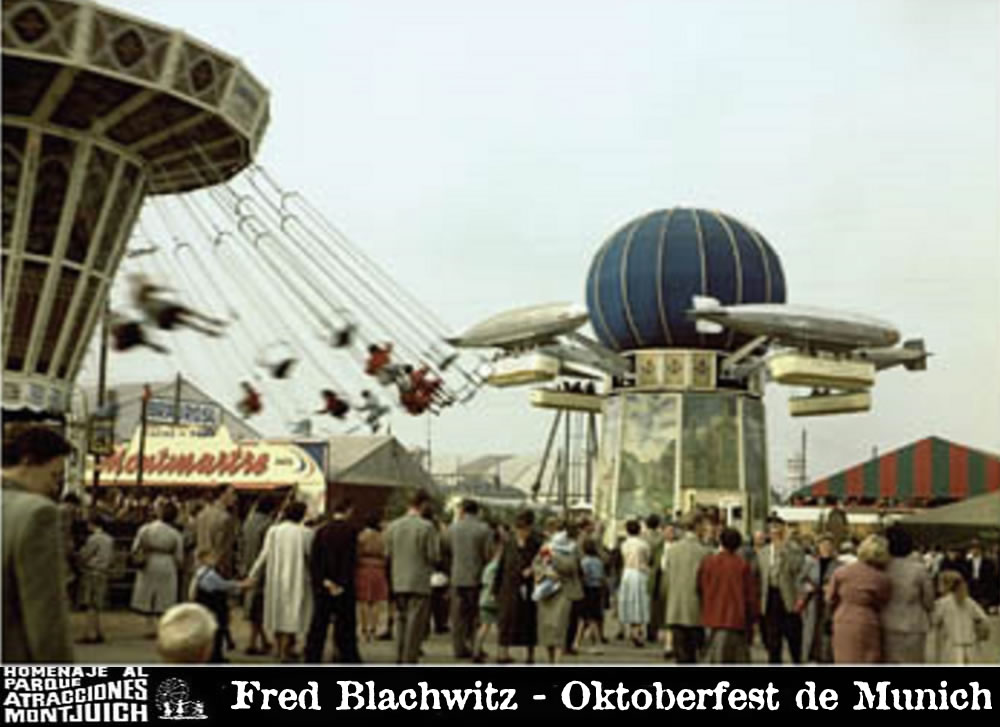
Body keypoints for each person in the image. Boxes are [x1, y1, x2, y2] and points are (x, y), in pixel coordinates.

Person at [2, 427, 75, 662]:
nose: (55, 488)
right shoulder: (36, 514)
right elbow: (46, 621)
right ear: (28, 462)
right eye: (53, 476)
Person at [248, 501, 314, 663]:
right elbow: (311, 557)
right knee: (293, 613)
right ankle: (286, 650)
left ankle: (279, 649)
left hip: (276, 578)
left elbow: (264, 555)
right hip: (298, 578)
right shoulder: (306, 533)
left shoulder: (274, 531)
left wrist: (252, 574)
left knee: (278, 612)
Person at [385, 490, 440, 663]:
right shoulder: (427, 527)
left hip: (398, 579)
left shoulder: (392, 526)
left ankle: (399, 655)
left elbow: (387, 553)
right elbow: (433, 555)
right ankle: (410, 658)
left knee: (401, 621)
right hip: (419, 581)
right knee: (415, 625)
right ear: (423, 505)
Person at [306, 499, 362, 663]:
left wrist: (324, 580)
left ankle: (313, 655)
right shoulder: (351, 531)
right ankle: (346, 655)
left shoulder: (321, 531)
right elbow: (350, 560)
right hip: (344, 587)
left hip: (324, 586)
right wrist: (342, 583)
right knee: (345, 624)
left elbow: (315, 561)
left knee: (319, 623)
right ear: (348, 511)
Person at [825, 534, 893, 664]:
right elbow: (884, 601)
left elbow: (829, 597)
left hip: (842, 619)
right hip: (867, 620)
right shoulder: (882, 579)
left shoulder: (841, 572)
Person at [698, 528, 758, 663]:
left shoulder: (709, 562)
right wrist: (753, 617)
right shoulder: (742, 565)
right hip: (736, 619)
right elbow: (750, 594)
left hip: (713, 617)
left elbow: (701, 587)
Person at [662, 512, 711, 663]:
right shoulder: (705, 552)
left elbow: (666, 581)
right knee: (694, 654)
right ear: (698, 527)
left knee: (681, 655)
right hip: (696, 609)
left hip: (675, 608)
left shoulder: (672, 550)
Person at [447, 499, 494, 659]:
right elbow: (488, 554)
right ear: (477, 511)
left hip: (456, 576)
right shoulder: (484, 529)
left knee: (458, 616)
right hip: (476, 577)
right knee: (475, 616)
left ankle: (458, 648)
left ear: (463, 511)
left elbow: (446, 550)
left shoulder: (452, 528)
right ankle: (475, 646)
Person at [880, 526, 934, 664]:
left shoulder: (881, 568)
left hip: (886, 623)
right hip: (914, 624)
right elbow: (929, 600)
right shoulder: (919, 570)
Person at [131, 502, 185, 637]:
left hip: (149, 561)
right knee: (165, 596)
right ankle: (162, 626)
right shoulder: (175, 534)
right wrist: (179, 565)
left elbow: (135, 547)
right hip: (167, 563)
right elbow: (179, 556)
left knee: (148, 594)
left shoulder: (146, 529)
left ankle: (149, 627)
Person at [533, 519, 583, 664]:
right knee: (546, 628)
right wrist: (543, 572)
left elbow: (572, 567)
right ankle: (549, 661)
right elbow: (536, 563)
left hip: (563, 591)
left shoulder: (573, 548)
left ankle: (558, 661)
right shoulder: (545, 547)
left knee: (559, 627)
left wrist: (553, 558)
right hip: (546, 591)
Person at [495, 509, 541, 664]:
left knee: (528, 622)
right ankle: (503, 653)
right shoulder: (509, 543)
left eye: (524, 529)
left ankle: (530, 654)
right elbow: (501, 566)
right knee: (506, 621)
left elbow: (542, 563)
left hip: (528, 589)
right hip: (509, 587)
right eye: (518, 529)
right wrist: (496, 589)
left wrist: (533, 570)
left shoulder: (536, 544)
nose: (521, 532)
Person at [189, 547, 251, 662]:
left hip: (206, 605)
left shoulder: (199, 573)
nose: (214, 559)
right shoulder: (209, 575)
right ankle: (215, 657)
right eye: (210, 557)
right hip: (214, 606)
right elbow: (223, 585)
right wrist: (242, 584)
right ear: (203, 559)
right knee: (217, 632)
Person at [758, 515, 806, 664]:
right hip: (770, 597)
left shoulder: (793, 549)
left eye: (778, 529)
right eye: (772, 530)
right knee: (773, 640)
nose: (774, 533)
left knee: (793, 637)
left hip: (788, 597)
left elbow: (797, 567)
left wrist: (784, 549)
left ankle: (797, 661)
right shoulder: (763, 552)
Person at [130, 273, 226, 337]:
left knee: (186, 321)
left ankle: (207, 329)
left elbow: (150, 290)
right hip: (163, 311)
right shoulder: (140, 295)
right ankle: (210, 322)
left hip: (160, 318)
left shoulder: (139, 299)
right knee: (187, 313)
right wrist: (165, 289)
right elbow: (150, 289)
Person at [239, 497, 275, 656]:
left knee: (252, 605)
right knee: (257, 607)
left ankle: (261, 641)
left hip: (247, 567)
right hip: (262, 570)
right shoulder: (269, 525)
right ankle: (252, 642)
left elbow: (241, 544)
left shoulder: (247, 522)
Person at [931, 571, 991, 664]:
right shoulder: (970, 602)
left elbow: (934, 621)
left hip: (953, 648)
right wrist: (981, 634)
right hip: (968, 647)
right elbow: (984, 621)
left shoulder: (942, 603)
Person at [798, 533, 840, 664]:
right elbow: (800, 581)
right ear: (818, 547)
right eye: (823, 544)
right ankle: (811, 656)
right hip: (813, 602)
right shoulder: (810, 563)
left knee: (827, 633)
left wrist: (832, 589)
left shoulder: (839, 566)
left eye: (829, 545)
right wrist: (807, 587)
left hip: (830, 604)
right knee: (811, 631)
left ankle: (827, 658)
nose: (826, 548)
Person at [77, 516, 114, 644]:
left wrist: (80, 553)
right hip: (104, 572)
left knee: (90, 604)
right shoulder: (109, 539)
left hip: (92, 571)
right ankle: (97, 631)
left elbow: (85, 555)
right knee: (97, 604)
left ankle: (90, 633)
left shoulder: (93, 539)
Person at [356, 514, 390, 643]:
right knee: (376, 601)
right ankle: (373, 629)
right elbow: (387, 554)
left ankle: (364, 629)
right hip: (379, 569)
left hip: (363, 568)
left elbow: (356, 552)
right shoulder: (382, 537)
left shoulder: (361, 536)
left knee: (364, 601)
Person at [618, 519, 651, 647]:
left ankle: (633, 629)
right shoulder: (643, 544)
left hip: (627, 573)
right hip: (640, 573)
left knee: (630, 601)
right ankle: (638, 630)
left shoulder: (624, 544)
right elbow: (647, 558)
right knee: (640, 601)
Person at [473, 538, 504, 663]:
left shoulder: (488, 566)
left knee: (484, 626)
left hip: (484, 598)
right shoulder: (497, 567)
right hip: (493, 599)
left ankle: (476, 650)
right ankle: (500, 654)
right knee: (500, 627)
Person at [575, 538, 607, 655]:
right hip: (597, 589)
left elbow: (583, 576)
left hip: (587, 590)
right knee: (588, 618)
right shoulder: (598, 561)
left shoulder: (585, 562)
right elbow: (602, 577)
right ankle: (576, 643)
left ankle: (596, 644)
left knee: (587, 618)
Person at [644, 514, 665, 643]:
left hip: (645, 571)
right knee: (656, 604)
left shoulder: (643, 537)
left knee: (645, 602)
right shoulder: (661, 538)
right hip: (658, 572)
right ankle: (653, 630)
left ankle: (645, 629)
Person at [967, 540, 999, 611]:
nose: (974, 551)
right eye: (972, 549)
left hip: (983, 585)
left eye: (976, 549)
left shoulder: (988, 562)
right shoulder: (968, 562)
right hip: (972, 584)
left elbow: (991, 577)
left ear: (980, 550)